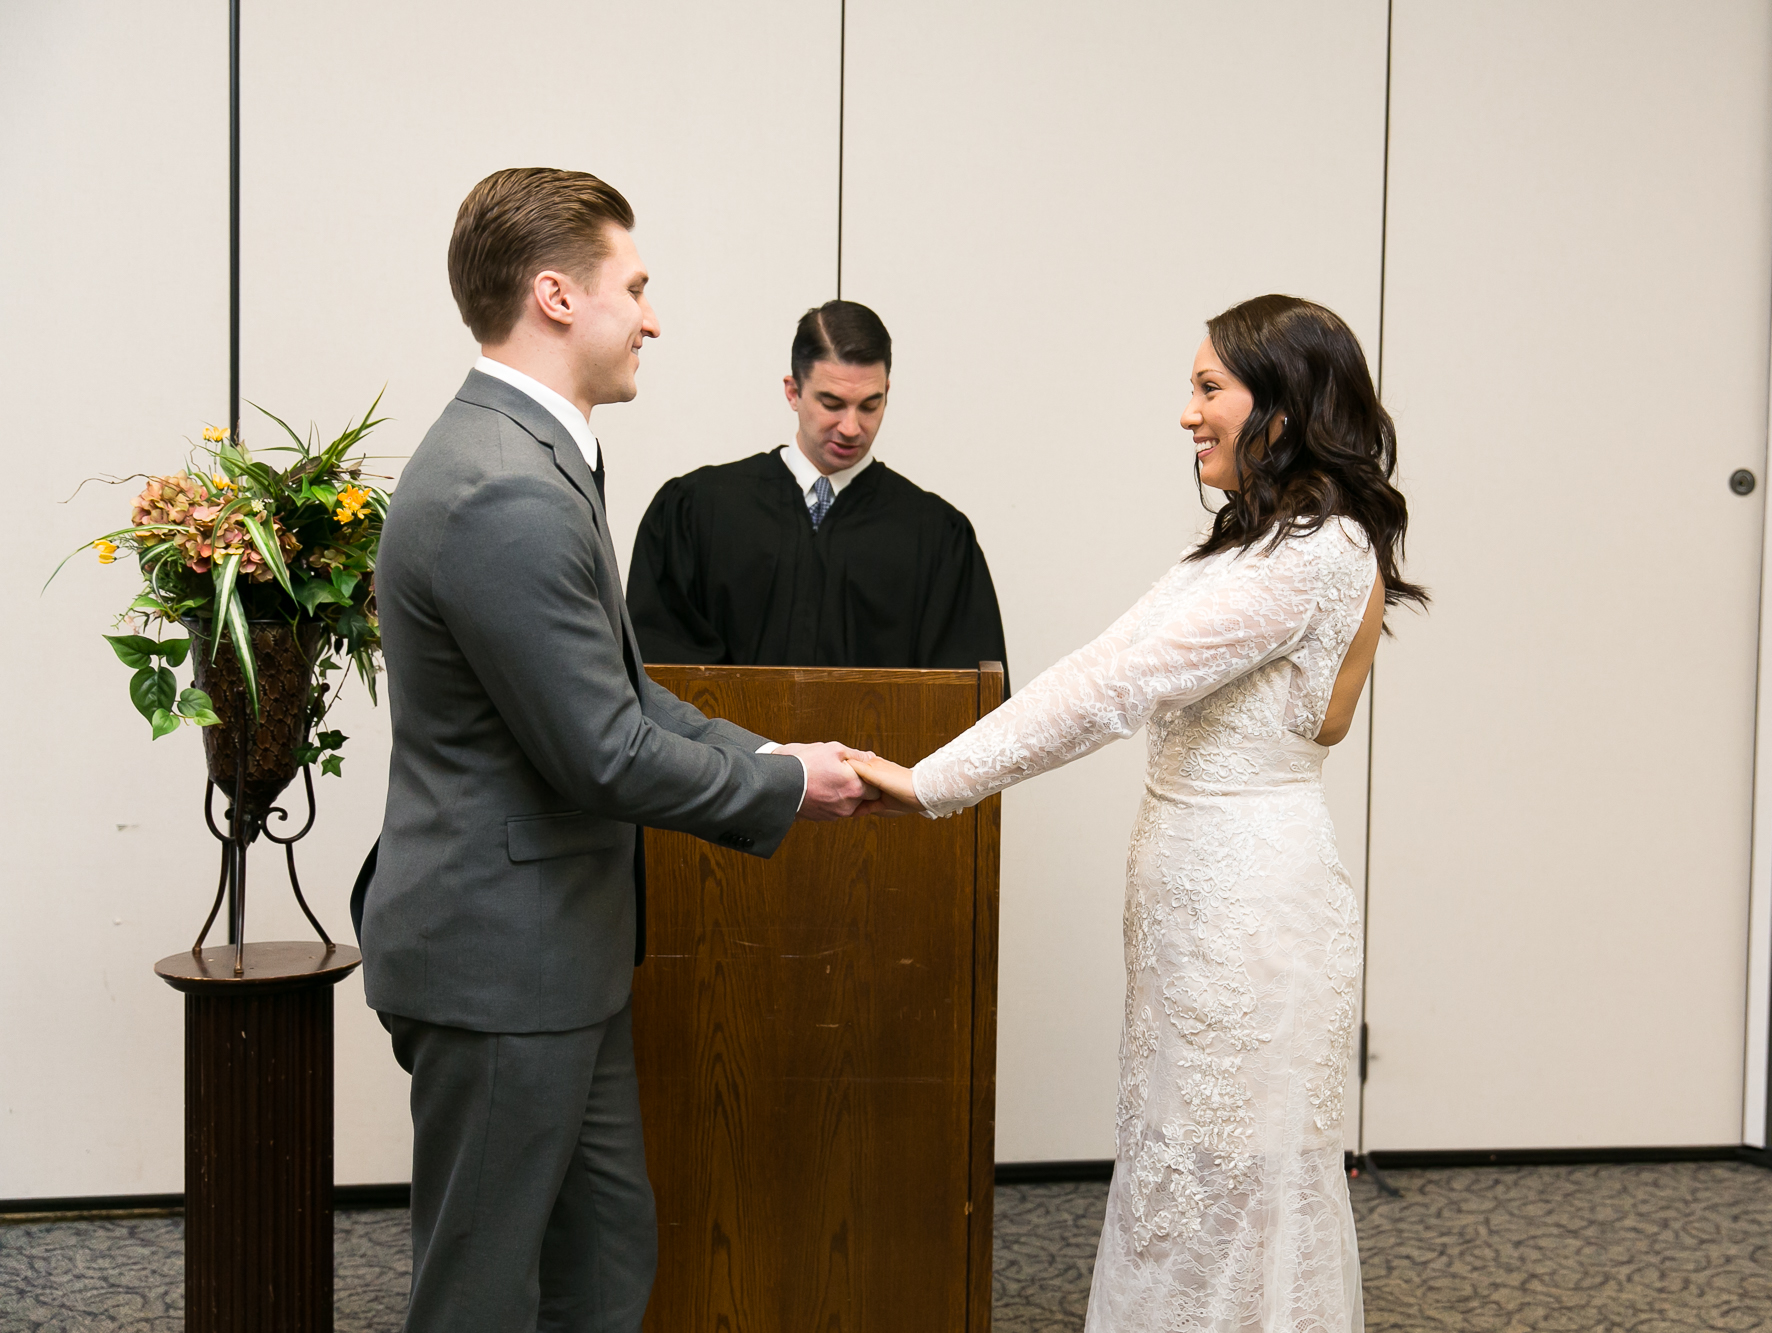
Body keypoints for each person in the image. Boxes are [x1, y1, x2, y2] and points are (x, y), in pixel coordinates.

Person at [359, 168, 876, 1333]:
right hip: (501, 965)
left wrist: (773, 748)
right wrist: (788, 784)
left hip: (557, 958)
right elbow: (599, 752)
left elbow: (627, 693)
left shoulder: (535, 456)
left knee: (603, 1257)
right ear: (554, 295)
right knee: (482, 1293)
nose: (652, 316)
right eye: (633, 287)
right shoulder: (504, 485)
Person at [852, 295, 1426, 1331]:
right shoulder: (1253, 544)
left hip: (1248, 909)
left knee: (1231, 1180)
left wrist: (933, 782)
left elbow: (1114, 688)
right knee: (1183, 1169)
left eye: (1209, 388)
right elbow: (1125, 664)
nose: (1186, 413)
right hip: (1195, 897)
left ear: (1283, 410)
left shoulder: (1312, 556)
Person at [626, 300, 1008, 683]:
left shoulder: (937, 537)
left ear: (887, 392)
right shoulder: (698, 511)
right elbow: (663, 675)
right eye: (832, 403)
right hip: (730, 745)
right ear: (793, 392)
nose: (851, 427)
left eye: (870, 405)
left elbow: (966, 706)